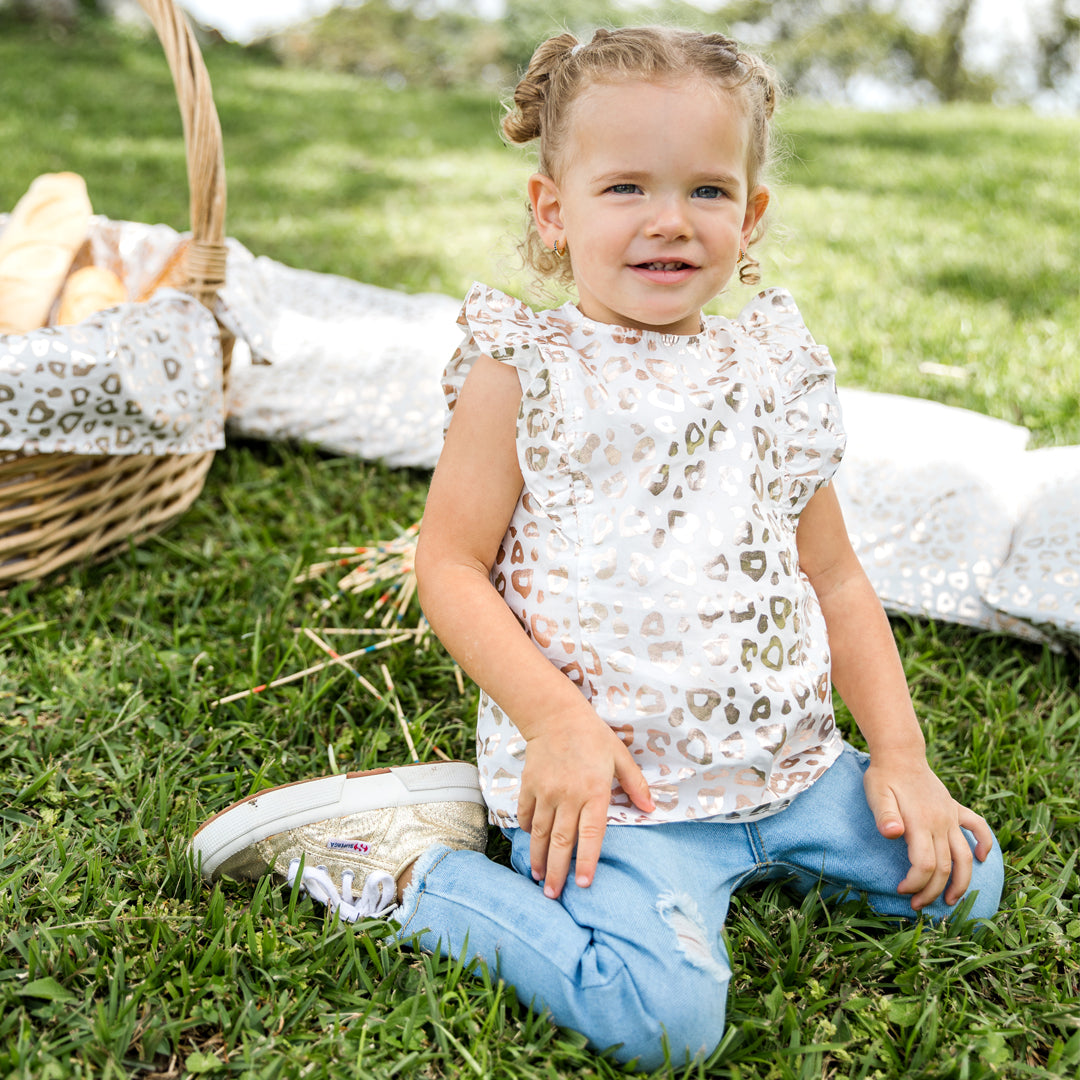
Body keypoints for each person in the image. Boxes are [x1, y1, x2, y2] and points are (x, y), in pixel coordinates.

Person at [191, 26, 1004, 1070]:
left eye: (708, 192)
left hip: (791, 774)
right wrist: (557, 723)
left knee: (969, 880)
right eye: (626, 188)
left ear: (750, 216)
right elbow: (449, 566)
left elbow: (835, 578)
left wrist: (901, 759)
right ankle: (411, 870)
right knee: (666, 1023)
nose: (671, 221)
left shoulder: (769, 370)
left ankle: (762, 855)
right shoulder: (525, 370)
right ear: (553, 211)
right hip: (617, 794)